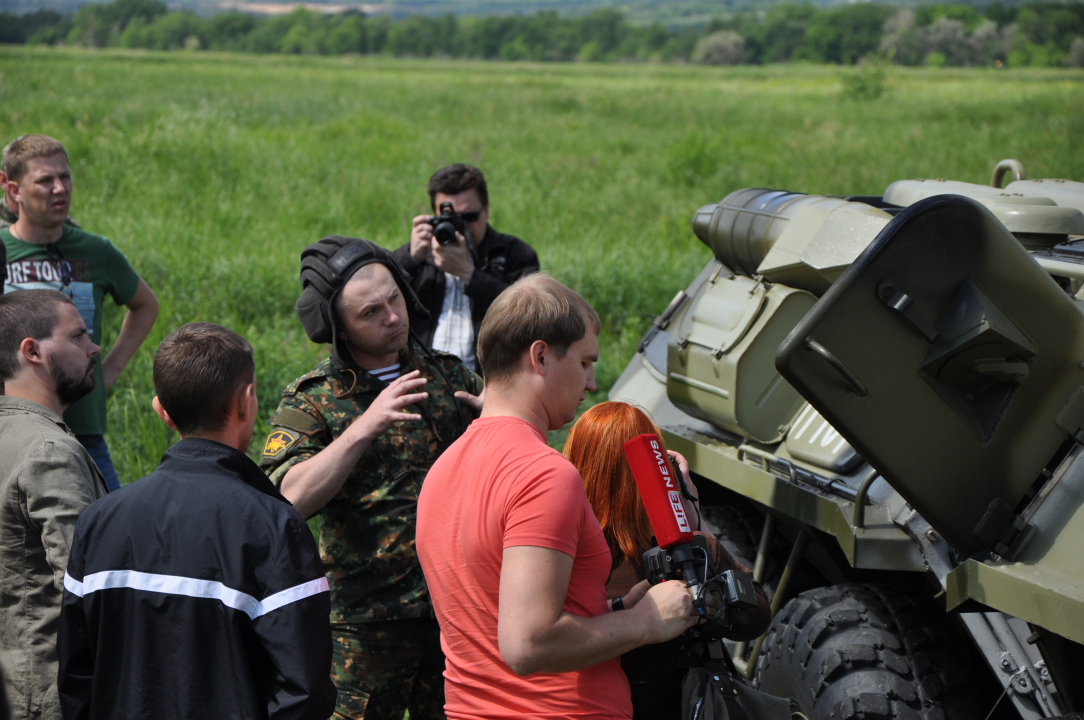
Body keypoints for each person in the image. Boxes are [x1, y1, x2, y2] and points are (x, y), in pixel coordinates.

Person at [416, 273, 700, 720]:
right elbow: (528, 643)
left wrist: (619, 607)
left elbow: (495, 614)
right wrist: (645, 622)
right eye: (586, 363)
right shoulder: (544, 475)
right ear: (542, 356)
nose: (591, 384)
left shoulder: (441, 472)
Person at [56, 322, 336, 720]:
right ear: (247, 400)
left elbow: (75, 677)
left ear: (162, 412)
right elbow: (304, 692)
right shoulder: (274, 527)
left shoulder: (97, 522)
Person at [262, 236, 483, 720]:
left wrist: (502, 418)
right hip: (366, 624)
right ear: (336, 326)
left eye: (395, 300)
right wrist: (362, 428)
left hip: (456, 612)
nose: (392, 318)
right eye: (370, 313)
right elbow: (284, 499)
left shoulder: (451, 379)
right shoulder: (313, 400)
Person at [564, 401, 772, 720]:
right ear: (658, 468)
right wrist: (693, 520)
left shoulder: (560, 551)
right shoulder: (684, 549)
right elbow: (756, 616)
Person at [0, 134, 158, 490]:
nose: (60, 188)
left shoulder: (96, 251)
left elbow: (145, 305)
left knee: (109, 531)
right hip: (10, 427)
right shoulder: (2, 251)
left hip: (83, 430)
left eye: (65, 176)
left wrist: (110, 368)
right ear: (13, 189)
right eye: (44, 180)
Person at [0, 289, 108, 720]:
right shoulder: (49, 450)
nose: (94, 347)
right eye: (78, 336)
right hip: (47, 697)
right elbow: (89, 585)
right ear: (33, 351)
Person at [393, 163, 539, 371]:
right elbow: (379, 302)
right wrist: (409, 259)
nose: (460, 226)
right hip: (423, 383)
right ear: (434, 215)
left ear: (486, 211)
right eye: (451, 218)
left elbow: (531, 317)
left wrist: (468, 273)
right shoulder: (421, 254)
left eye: (469, 217)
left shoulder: (514, 254)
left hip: (490, 384)